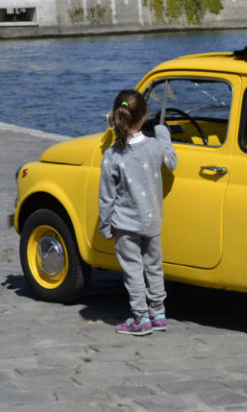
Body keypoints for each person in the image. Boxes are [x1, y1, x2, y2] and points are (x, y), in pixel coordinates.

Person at [98, 90, 178, 336]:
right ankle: (158, 314)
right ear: (144, 118)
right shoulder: (155, 146)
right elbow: (172, 162)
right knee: (154, 267)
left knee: (133, 270)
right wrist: (163, 134)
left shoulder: (112, 155)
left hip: (125, 225)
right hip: (152, 221)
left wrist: (105, 225)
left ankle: (140, 318)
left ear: (116, 117)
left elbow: (106, 197)